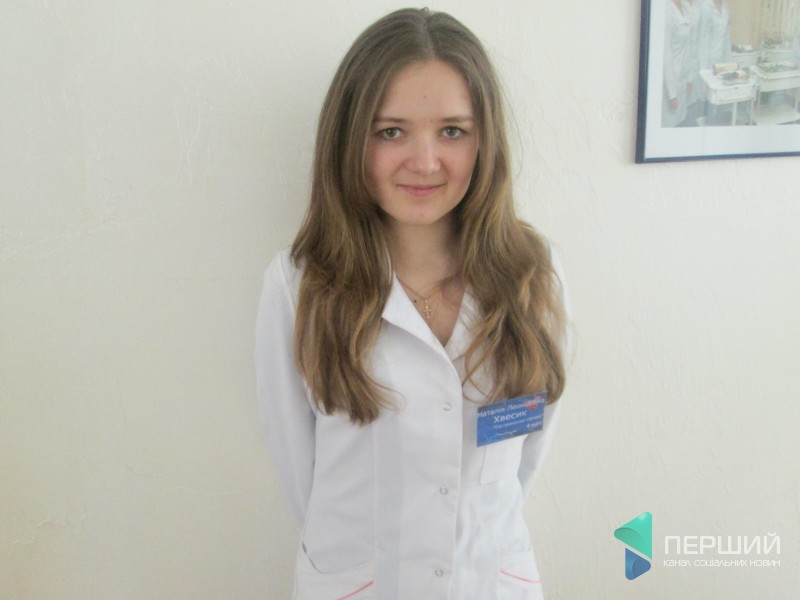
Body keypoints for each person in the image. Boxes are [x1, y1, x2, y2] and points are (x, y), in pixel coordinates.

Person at [255, 8, 570, 599]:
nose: (425, 162)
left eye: (452, 131)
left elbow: (525, 460)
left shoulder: (533, 276)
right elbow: (302, 476)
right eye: (391, 131)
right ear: (350, 140)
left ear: (485, 141)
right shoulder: (300, 288)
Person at [663, 0, 693, 126]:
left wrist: (689, 78)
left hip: (682, 78)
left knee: (681, 119)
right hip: (670, 81)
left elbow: (688, 48)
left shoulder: (684, 7)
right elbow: (665, 56)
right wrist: (672, 94)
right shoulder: (666, 11)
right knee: (670, 124)